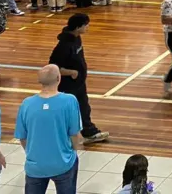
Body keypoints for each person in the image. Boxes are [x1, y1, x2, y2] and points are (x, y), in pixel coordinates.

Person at [14, 65, 82, 194]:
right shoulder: (69, 101)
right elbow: (75, 135)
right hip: (63, 163)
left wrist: (33, 154)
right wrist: (72, 150)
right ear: (58, 78)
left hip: (35, 166)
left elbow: (22, 137)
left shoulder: (26, 103)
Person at [48, 13, 108, 145]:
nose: (88, 27)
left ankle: (89, 132)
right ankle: (59, 135)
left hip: (79, 83)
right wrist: (71, 72)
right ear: (77, 27)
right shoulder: (63, 46)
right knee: (67, 111)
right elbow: (53, 66)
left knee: (84, 107)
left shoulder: (77, 38)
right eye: (85, 25)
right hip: (68, 85)